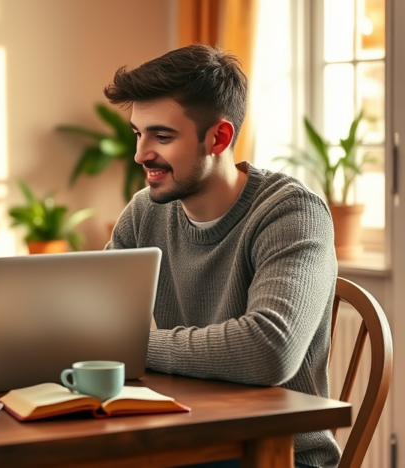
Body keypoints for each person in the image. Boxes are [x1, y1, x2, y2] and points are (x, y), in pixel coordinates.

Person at [104, 44, 339, 468]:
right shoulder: (145, 212)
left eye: (162, 136)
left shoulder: (291, 212)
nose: (140, 154)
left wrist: (130, 345)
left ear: (220, 137)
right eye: (138, 134)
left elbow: (269, 349)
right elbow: (95, 318)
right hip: (186, 439)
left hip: (281, 453)